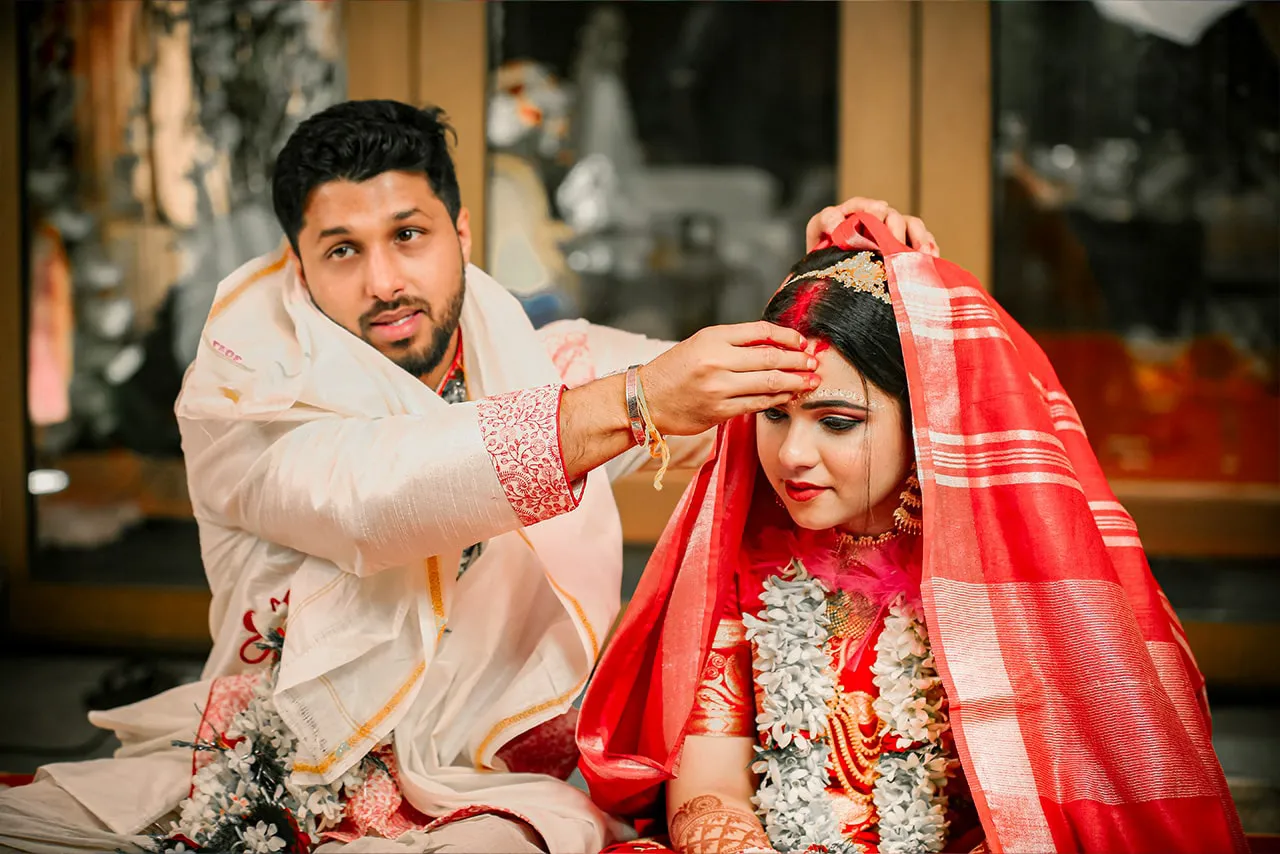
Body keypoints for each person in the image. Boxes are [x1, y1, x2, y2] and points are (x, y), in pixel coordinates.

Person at [0, 100, 937, 854]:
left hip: (484, 788)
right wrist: (636, 400)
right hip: (280, 768)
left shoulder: (550, 365)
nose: (383, 281)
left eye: (408, 235)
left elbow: (782, 405)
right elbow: (375, 498)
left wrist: (855, 274)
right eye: (342, 250)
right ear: (299, 266)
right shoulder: (250, 401)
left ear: (462, 230)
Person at [578, 212, 1248, 853]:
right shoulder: (743, 561)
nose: (793, 455)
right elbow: (708, 794)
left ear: (927, 421)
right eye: (774, 416)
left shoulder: (994, 580)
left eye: (836, 422)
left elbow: (1047, 813)